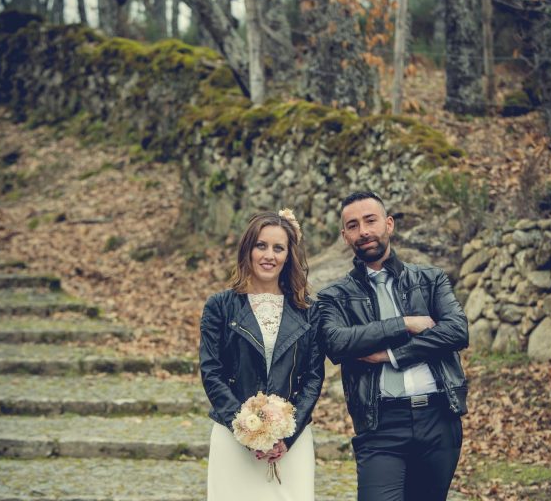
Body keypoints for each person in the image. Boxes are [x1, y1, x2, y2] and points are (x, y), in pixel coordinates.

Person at [317, 191, 469, 501]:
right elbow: (336, 342)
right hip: (380, 423)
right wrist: (405, 324)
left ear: (389, 224)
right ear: (345, 236)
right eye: (353, 225)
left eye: (370, 221)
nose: (364, 232)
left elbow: (456, 332)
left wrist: (391, 355)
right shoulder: (335, 296)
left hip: (438, 418)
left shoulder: (430, 279)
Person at [199, 209, 325, 501]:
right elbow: (211, 372)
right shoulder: (220, 306)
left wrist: (286, 435)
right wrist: (246, 431)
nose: (269, 255)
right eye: (261, 245)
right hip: (233, 438)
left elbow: (313, 376)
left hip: (290, 442)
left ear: (288, 255)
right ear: (248, 249)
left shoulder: (309, 311)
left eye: (278, 248)